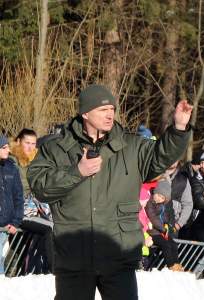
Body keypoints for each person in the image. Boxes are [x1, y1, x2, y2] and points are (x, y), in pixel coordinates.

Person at [27, 84, 192, 300]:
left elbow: (161, 157)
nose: (110, 114)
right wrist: (77, 172)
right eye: (102, 110)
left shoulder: (132, 146)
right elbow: (40, 187)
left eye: (112, 109)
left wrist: (178, 128)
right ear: (85, 113)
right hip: (74, 254)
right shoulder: (56, 148)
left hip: (118, 253)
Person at [10, 128, 53, 275]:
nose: (30, 147)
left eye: (33, 143)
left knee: (57, 226)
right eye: (27, 143)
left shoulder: (37, 161)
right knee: (49, 229)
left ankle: (38, 269)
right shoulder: (11, 161)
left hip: (36, 206)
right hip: (18, 209)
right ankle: (52, 272)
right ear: (18, 142)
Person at [146, 179, 183, 271]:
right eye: (158, 195)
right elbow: (153, 218)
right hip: (152, 232)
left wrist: (169, 225)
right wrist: (163, 229)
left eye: (162, 198)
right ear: (155, 192)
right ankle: (171, 265)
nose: (159, 199)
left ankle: (176, 264)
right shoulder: (150, 203)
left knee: (173, 243)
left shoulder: (162, 205)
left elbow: (165, 217)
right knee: (165, 244)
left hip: (161, 231)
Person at [0, 134, 24, 275]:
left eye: (8, 147)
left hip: (6, 225)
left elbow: (18, 197)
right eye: (4, 147)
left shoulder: (12, 168)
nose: (8, 150)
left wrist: (16, 222)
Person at [164, 161, 193, 235]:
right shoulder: (157, 175)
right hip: (153, 222)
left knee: (171, 246)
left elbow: (188, 204)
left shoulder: (183, 179)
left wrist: (179, 224)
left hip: (173, 225)